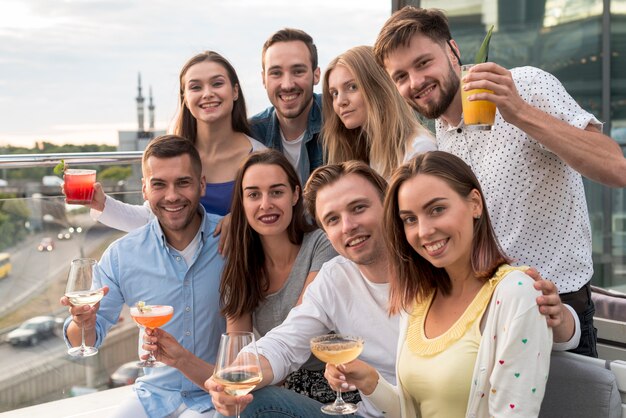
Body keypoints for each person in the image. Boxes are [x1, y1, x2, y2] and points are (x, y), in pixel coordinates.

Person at [205, 161, 568, 418]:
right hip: (378, 407)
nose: (348, 226)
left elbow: (515, 307)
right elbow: (286, 341)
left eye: (359, 208)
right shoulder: (340, 277)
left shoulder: (432, 272)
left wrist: (562, 318)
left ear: (388, 208)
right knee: (252, 402)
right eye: (332, 219)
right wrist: (236, 374)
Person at [372, 6, 626, 356]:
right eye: (400, 76)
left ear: (453, 51)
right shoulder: (443, 134)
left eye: (422, 63)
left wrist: (519, 112)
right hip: (486, 314)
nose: (415, 82)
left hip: (556, 311)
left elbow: (615, 168)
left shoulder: (524, 84)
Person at [325, 151, 553, 417]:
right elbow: (412, 411)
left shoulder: (516, 293)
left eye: (437, 209)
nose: (423, 231)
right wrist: (370, 382)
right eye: (410, 219)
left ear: (475, 204)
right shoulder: (419, 299)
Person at [142, 149, 342, 404]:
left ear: (294, 195)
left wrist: (248, 383)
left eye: (277, 192)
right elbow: (233, 373)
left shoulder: (322, 246)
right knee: (237, 402)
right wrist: (181, 358)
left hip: (333, 391)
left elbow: (299, 334)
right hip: (272, 389)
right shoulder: (240, 269)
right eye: (253, 194)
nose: (265, 204)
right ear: (242, 203)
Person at [61, 135, 225, 418]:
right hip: (153, 395)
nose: (172, 196)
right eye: (159, 184)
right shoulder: (121, 255)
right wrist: (82, 321)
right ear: (145, 190)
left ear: (201, 185)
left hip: (215, 396)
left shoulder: (231, 242)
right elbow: (85, 338)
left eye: (183, 182)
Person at [84, 51, 265, 234]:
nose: (208, 93)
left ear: (235, 91)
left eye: (217, 84)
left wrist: (240, 220)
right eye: (196, 87)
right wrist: (103, 204)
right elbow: (153, 219)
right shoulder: (176, 155)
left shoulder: (258, 156)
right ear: (184, 97)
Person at [322, 45, 436, 179]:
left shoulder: (418, 151)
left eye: (352, 87)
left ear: (378, 87)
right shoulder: (369, 152)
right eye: (334, 93)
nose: (341, 101)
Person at [250, 28, 324, 182]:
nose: (287, 85)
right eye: (276, 73)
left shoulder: (339, 119)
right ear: (264, 79)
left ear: (316, 75)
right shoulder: (251, 134)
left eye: (298, 71)